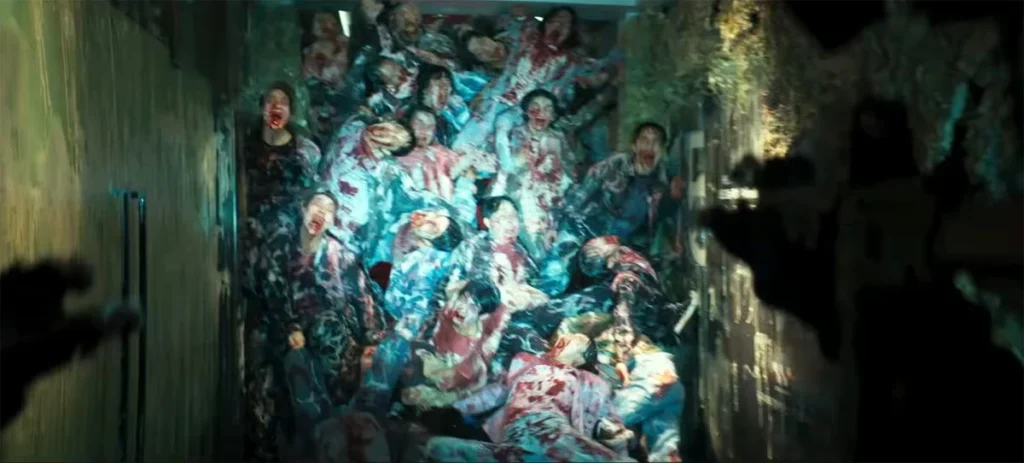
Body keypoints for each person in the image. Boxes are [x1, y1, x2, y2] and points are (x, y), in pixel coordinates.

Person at [426, 333, 636, 462]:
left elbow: (610, 424)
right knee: (436, 447)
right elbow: (496, 392)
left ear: (583, 358)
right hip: (511, 438)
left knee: (438, 448)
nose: (562, 341)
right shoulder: (526, 361)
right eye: (561, 339)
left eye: (573, 340)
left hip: (553, 435)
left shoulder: (591, 382)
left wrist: (619, 448)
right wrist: (456, 408)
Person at [444, 196, 549, 313]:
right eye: (502, 217)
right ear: (488, 223)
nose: (510, 222)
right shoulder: (471, 246)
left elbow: (536, 284)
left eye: (514, 216)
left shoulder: (521, 251)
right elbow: (450, 287)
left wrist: (521, 294)